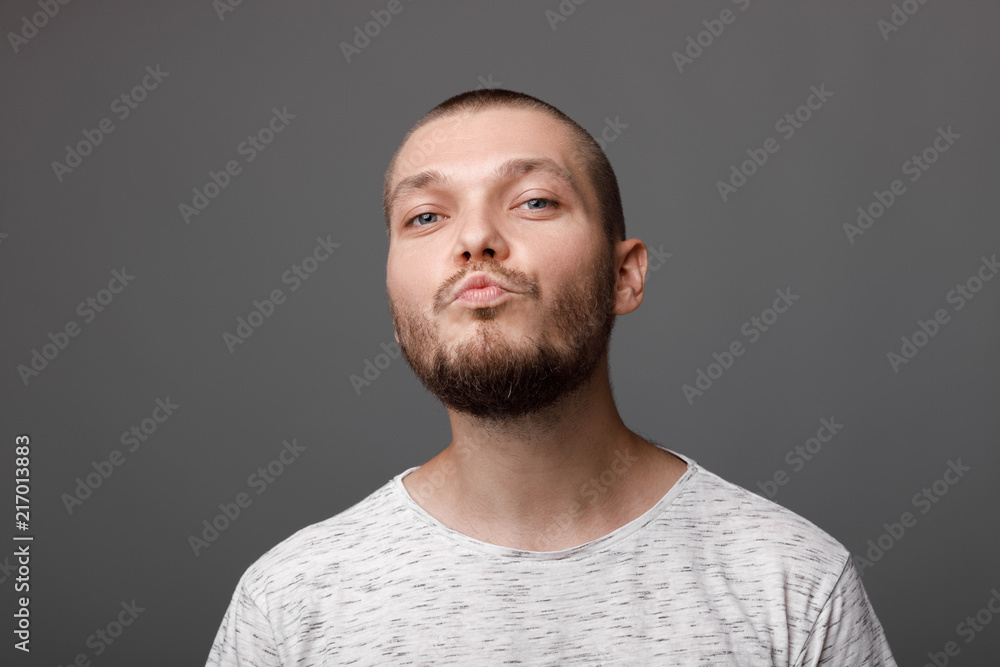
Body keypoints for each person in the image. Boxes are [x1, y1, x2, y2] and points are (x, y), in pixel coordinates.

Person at [206, 88, 897, 665]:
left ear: (624, 275)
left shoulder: (795, 584)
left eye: (534, 201)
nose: (474, 240)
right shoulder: (289, 604)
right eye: (425, 215)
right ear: (396, 302)